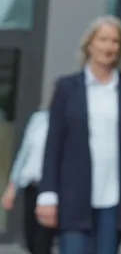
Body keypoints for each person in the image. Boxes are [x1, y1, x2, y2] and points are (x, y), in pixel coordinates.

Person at [36, 15, 121, 254]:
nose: (108, 46)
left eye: (115, 41)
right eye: (103, 39)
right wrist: (47, 193)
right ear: (89, 45)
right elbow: (54, 144)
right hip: (73, 195)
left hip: (114, 197)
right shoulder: (67, 88)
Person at [2, 86, 55, 254]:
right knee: (30, 237)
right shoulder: (38, 118)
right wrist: (12, 187)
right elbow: (24, 153)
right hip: (31, 184)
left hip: (53, 188)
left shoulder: (69, 121)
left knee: (43, 240)